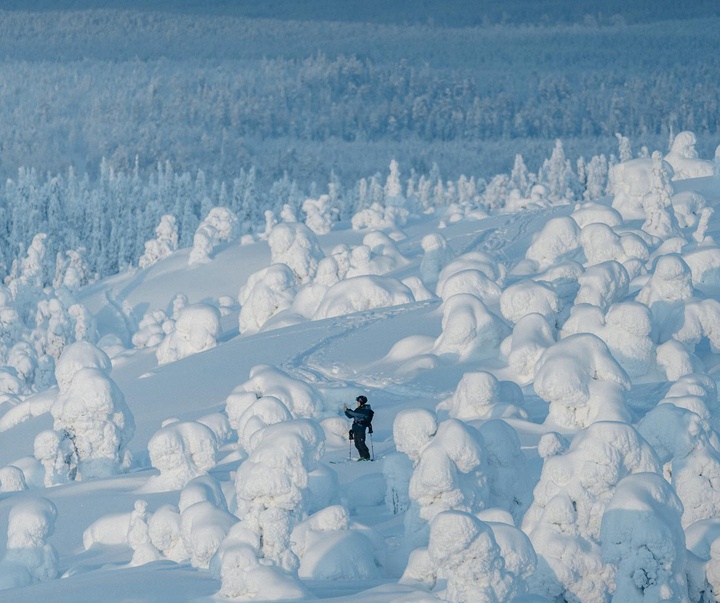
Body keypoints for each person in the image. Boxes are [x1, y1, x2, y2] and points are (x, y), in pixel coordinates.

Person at [343, 395, 374, 461]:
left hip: (361, 428)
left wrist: (348, 410)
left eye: (358, 402)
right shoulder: (359, 409)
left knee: (361, 443)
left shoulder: (365, 410)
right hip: (356, 428)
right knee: (357, 444)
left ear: (361, 402)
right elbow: (350, 416)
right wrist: (346, 411)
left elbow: (356, 414)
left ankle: (366, 456)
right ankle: (362, 456)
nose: (357, 403)